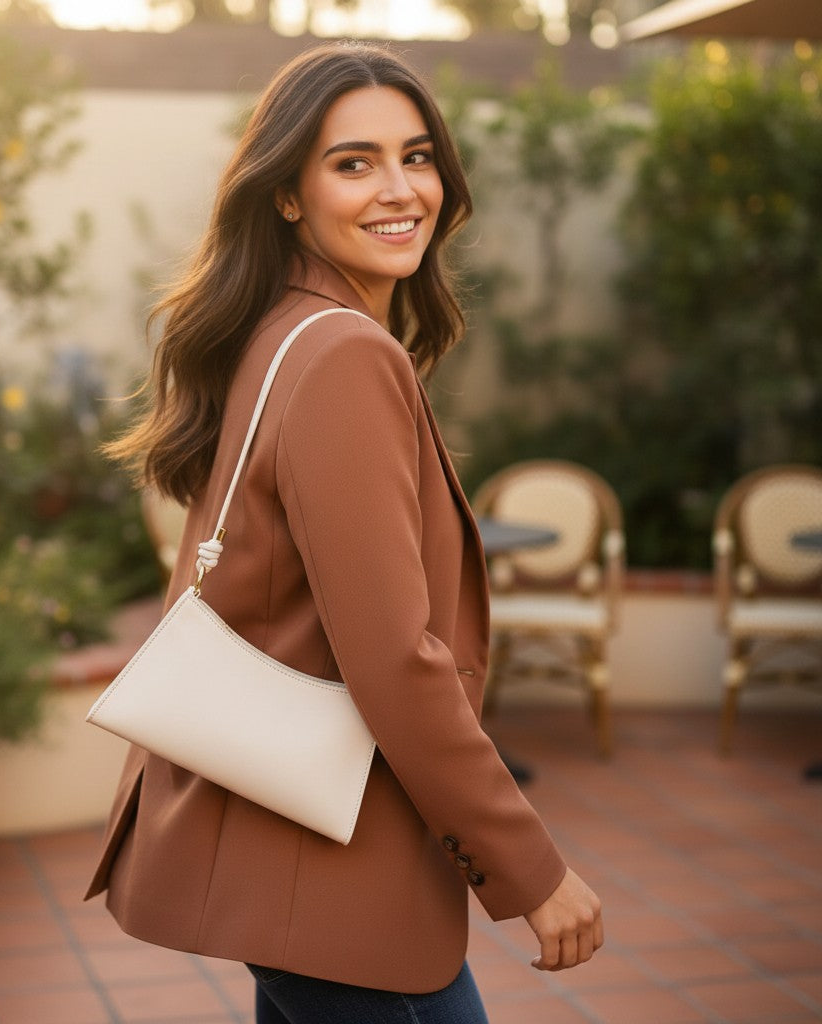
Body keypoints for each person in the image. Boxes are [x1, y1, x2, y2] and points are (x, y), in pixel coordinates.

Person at [87, 41, 603, 1023]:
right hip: (337, 876)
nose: (400, 189)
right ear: (287, 194)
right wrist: (529, 870)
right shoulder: (341, 356)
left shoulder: (276, 331)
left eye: (417, 156)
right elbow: (396, 661)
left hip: (284, 860)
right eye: (354, 163)